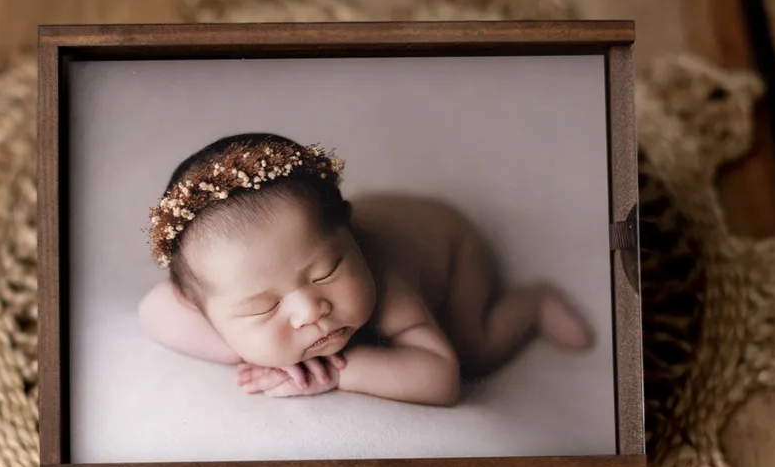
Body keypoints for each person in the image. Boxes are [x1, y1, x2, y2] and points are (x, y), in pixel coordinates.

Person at [138, 133, 592, 406]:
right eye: (263, 308)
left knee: (473, 350)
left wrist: (337, 371)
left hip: (449, 248)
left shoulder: (386, 280)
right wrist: (251, 351)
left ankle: (534, 305)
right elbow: (153, 311)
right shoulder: (216, 286)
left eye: (326, 272)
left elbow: (441, 377)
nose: (310, 310)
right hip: (327, 234)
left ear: (352, 241)